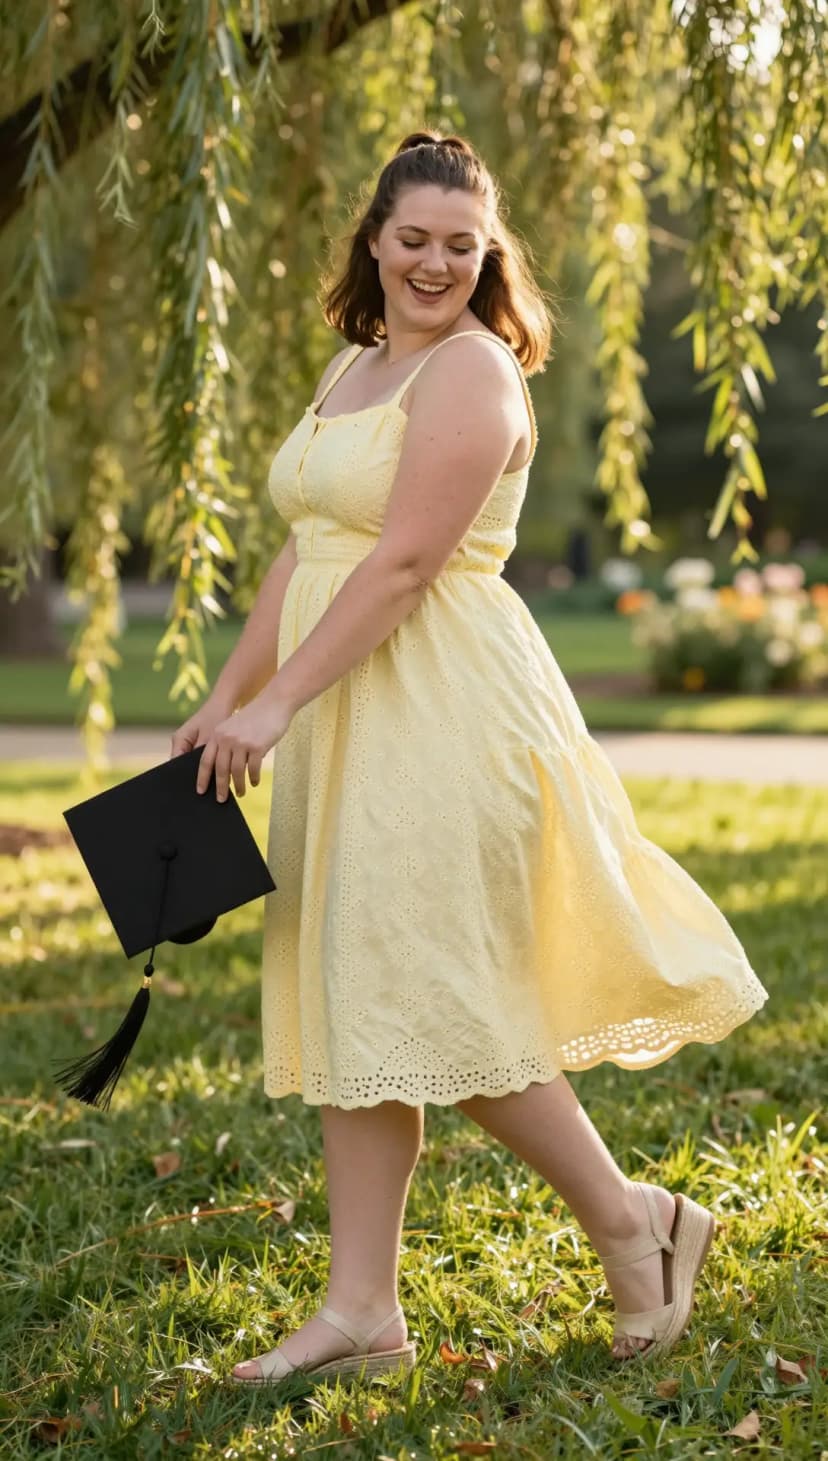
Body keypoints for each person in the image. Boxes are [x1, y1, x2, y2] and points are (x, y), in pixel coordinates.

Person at [170, 130, 768, 1384]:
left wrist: (272, 712)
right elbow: (307, 551)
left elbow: (400, 565)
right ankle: (360, 1315)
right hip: (347, 713)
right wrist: (225, 694)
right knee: (359, 997)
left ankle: (635, 1221)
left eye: (461, 243)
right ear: (373, 241)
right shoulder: (356, 368)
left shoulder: (473, 371)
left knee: (440, 998)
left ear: (486, 255)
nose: (435, 262)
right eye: (414, 238)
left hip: (441, 716)